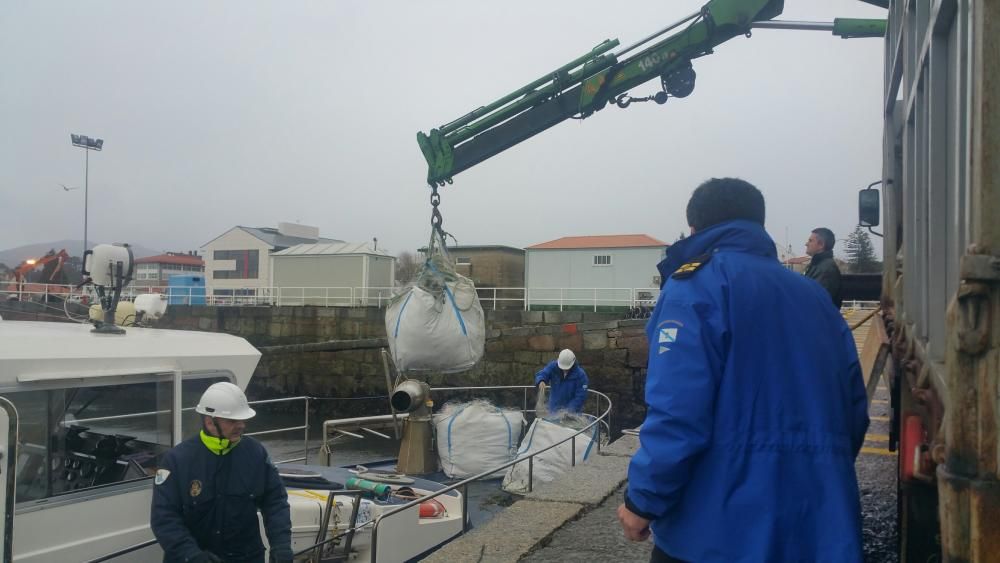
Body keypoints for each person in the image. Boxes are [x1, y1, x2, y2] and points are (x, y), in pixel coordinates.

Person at [617, 178, 869, 562]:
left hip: (712, 532)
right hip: (814, 528)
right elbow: (853, 412)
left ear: (695, 228)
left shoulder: (695, 287)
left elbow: (678, 411)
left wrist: (643, 501)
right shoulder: (815, 297)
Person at [151, 382, 293, 563]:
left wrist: (281, 546)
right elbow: (164, 518)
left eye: (242, 419)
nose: (241, 425)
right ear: (210, 422)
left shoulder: (256, 453)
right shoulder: (176, 461)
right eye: (233, 420)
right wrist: (192, 556)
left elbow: (276, 502)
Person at [534, 348, 589, 413]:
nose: (564, 369)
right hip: (553, 411)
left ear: (573, 363)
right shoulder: (553, 366)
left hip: (572, 415)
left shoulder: (581, 375)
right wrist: (541, 380)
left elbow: (581, 396)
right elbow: (543, 373)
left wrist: (569, 410)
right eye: (562, 367)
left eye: (567, 368)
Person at [804, 227, 843, 308]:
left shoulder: (826, 269)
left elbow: (815, 302)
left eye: (810, 241)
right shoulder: (818, 265)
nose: (806, 244)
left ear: (821, 245)